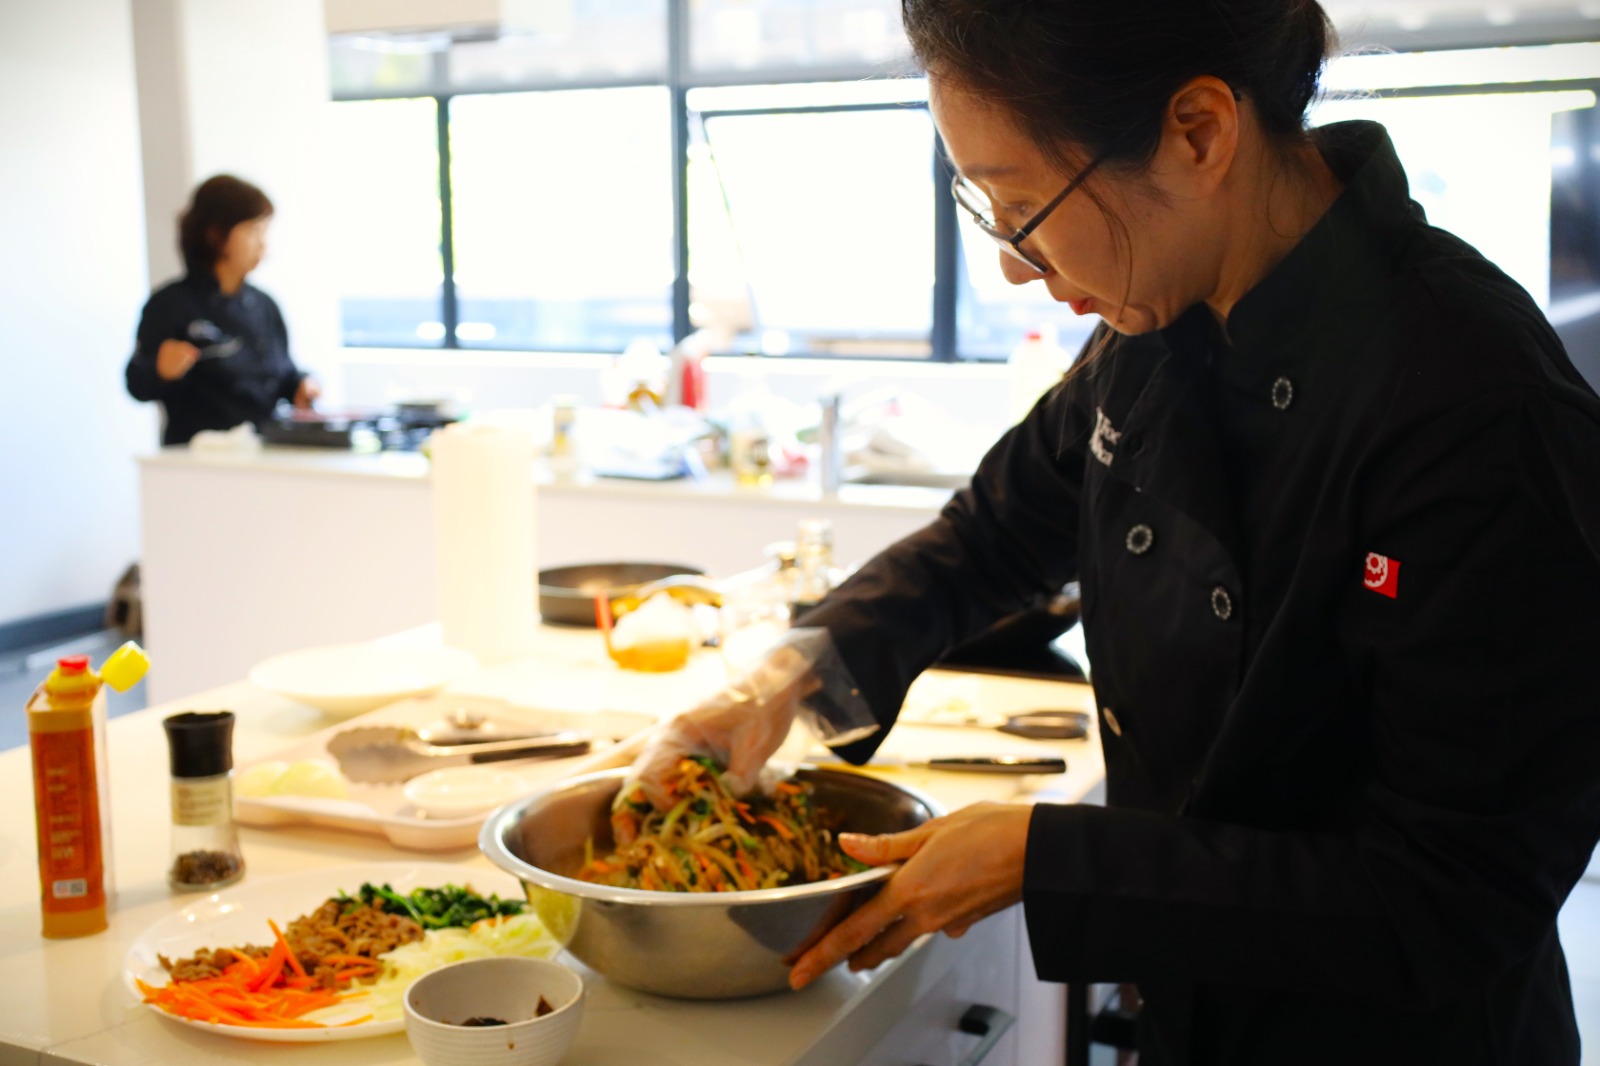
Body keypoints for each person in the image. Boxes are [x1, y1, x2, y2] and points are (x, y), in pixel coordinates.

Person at [626, 1, 1600, 1063]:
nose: (1008, 261)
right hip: (1192, 1018)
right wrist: (783, 682)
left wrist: (1048, 860)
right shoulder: (1156, 316)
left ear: (1197, 132)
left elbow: (1453, 893)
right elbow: (988, 537)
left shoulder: (1476, 405)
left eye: (1023, 204)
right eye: (984, 206)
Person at [126, 175, 318, 445]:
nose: (263, 244)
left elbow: (283, 373)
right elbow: (136, 383)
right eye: (253, 231)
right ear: (217, 235)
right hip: (198, 461)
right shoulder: (170, 304)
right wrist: (161, 370)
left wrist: (301, 385)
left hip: (264, 453)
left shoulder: (265, 305)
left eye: (265, 232)